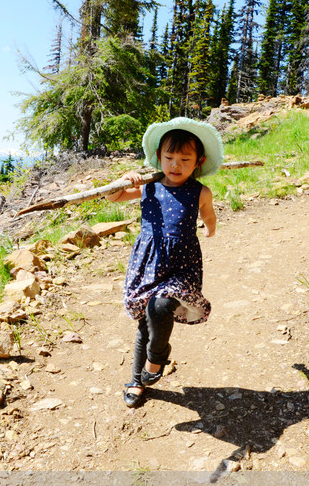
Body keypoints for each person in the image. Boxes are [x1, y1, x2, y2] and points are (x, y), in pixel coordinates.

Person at [106, 117, 223, 408]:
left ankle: (157, 359)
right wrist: (123, 180)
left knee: (160, 306)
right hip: (148, 262)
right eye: (169, 157)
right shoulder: (149, 186)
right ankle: (136, 380)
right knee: (147, 321)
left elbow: (209, 215)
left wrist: (210, 229)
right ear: (158, 157)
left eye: (185, 158)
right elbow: (112, 197)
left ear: (199, 161)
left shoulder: (200, 192)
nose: (176, 164)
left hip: (182, 265)